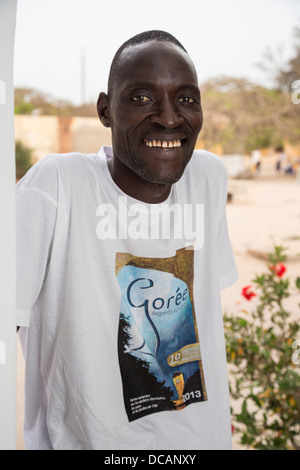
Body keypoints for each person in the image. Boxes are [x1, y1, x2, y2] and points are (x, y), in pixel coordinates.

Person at [16, 30, 238, 450]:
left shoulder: (208, 178)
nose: (170, 118)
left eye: (186, 99)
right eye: (142, 98)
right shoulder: (57, 185)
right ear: (105, 110)